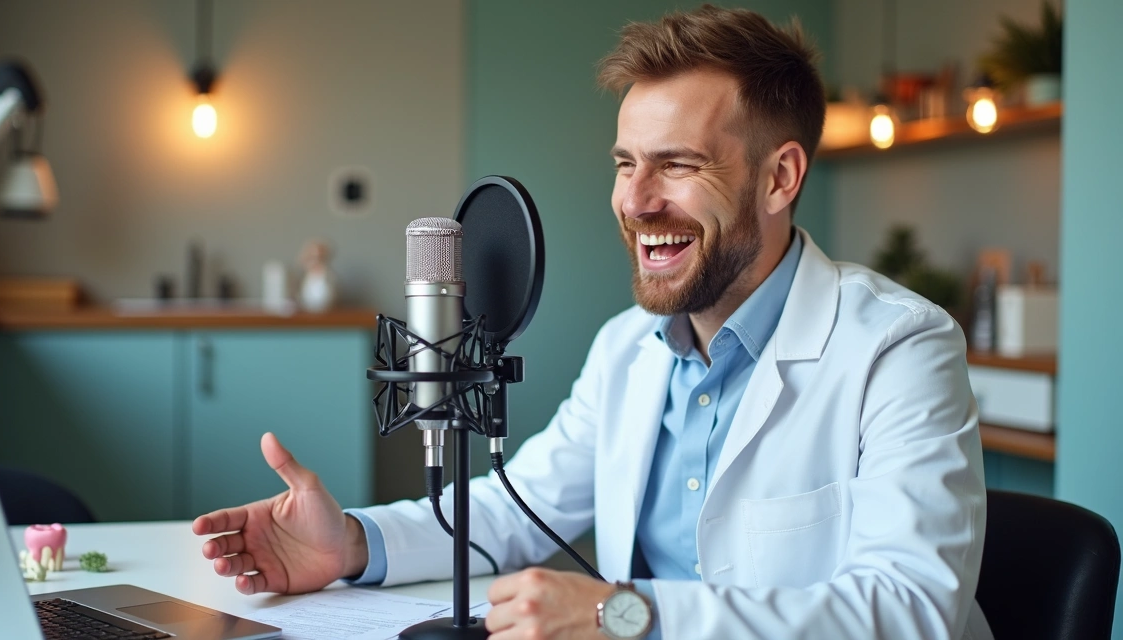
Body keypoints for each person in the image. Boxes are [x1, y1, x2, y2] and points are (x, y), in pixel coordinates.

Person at [192, 6, 991, 639]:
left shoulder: (898, 346)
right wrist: (353, 546)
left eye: (677, 164)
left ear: (780, 177)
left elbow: (910, 611)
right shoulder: (626, 350)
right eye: (624, 163)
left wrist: (621, 617)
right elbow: (515, 508)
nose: (636, 201)